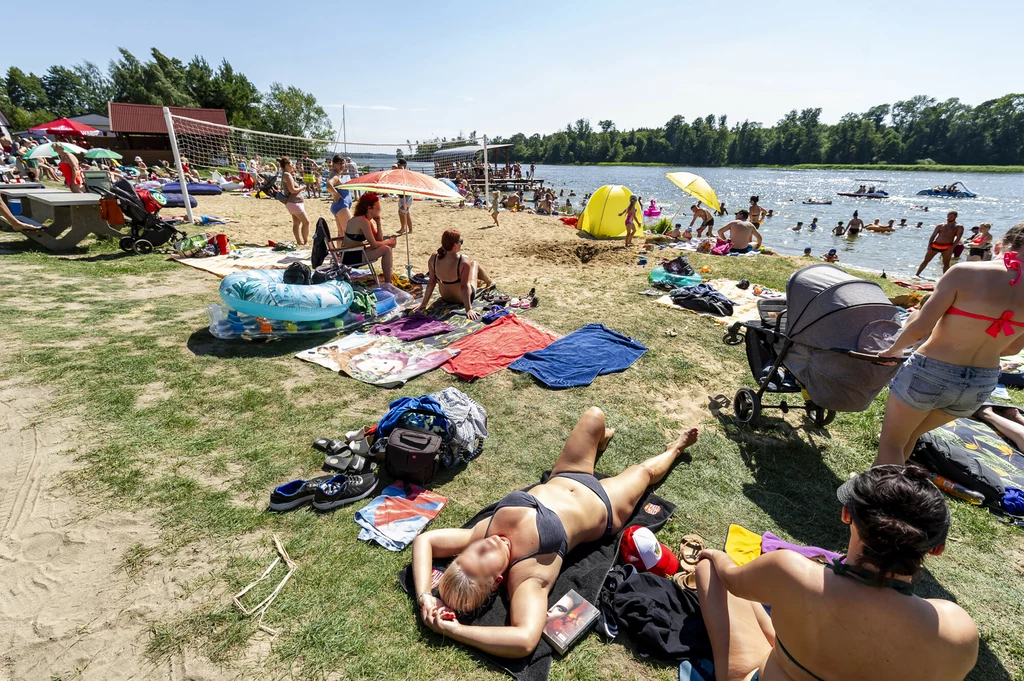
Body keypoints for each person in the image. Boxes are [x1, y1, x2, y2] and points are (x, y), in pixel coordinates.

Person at [413, 408, 699, 657]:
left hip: (564, 474)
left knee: (595, 415)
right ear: (495, 580)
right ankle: (674, 449)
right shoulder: (528, 577)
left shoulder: (478, 536)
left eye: (468, 553)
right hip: (604, 503)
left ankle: (601, 441)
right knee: (644, 473)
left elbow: (424, 540)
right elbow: (524, 640)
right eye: (487, 553)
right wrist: (454, 630)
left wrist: (426, 595)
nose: (488, 542)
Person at [696, 464, 977, 681]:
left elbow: (731, 579)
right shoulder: (957, 631)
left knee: (711, 571)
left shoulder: (792, 572)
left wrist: (716, 556)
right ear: (936, 549)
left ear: (846, 514)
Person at [876, 222, 1024, 466]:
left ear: (1000, 245)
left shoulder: (964, 272)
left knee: (891, 443)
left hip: (932, 371)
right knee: (911, 436)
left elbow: (919, 327)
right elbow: (1012, 349)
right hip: (980, 383)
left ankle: (875, 500)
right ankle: (891, 491)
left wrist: (893, 350)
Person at [416, 229, 493, 320]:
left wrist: (423, 304)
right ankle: (489, 282)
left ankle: (479, 282)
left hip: (445, 296)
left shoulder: (434, 258)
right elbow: (464, 286)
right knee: (475, 264)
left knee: (462, 275)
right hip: (461, 299)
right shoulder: (463, 260)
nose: (461, 244)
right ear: (455, 245)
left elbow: (431, 282)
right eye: (461, 242)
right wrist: (468, 309)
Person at [340, 193, 396, 280]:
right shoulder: (362, 221)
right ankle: (388, 283)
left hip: (355, 252)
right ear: (369, 208)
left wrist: (378, 224)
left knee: (387, 247)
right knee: (386, 249)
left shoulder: (364, 220)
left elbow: (379, 240)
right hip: (350, 257)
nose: (380, 210)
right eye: (378, 208)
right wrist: (389, 241)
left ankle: (388, 278)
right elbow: (374, 244)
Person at [915, 211, 964, 277]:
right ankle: (917, 274)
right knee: (926, 260)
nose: (949, 217)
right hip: (936, 245)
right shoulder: (941, 225)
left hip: (947, 247)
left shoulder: (958, 226)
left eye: (951, 216)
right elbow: (933, 236)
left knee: (946, 264)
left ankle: (945, 279)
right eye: (948, 216)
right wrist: (929, 245)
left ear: (955, 217)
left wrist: (952, 248)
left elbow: (958, 238)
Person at [278, 156, 310, 245]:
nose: (293, 165)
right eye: (292, 164)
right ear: (287, 165)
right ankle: (305, 242)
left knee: (297, 222)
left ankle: (299, 242)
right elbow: (292, 190)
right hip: (294, 203)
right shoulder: (287, 175)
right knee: (306, 222)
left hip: (292, 203)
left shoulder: (286, 174)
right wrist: (302, 188)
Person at [326, 154, 354, 236]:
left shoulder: (335, 174)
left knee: (341, 234)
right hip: (341, 206)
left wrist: (335, 193)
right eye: (338, 163)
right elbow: (328, 185)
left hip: (339, 206)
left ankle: (340, 249)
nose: (341, 165)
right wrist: (336, 194)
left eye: (342, 163)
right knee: (350, 231)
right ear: (334, 164)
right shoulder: (335, 176)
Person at [394, 158, 415, 235]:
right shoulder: (399, 173)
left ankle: (404, 228)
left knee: (401, 211)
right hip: (402, 197)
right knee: (406, 213)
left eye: (399, 165)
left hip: (407, 197)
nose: (398, 166)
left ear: (404, 165)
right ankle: (408, 229)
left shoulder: (405, 173)